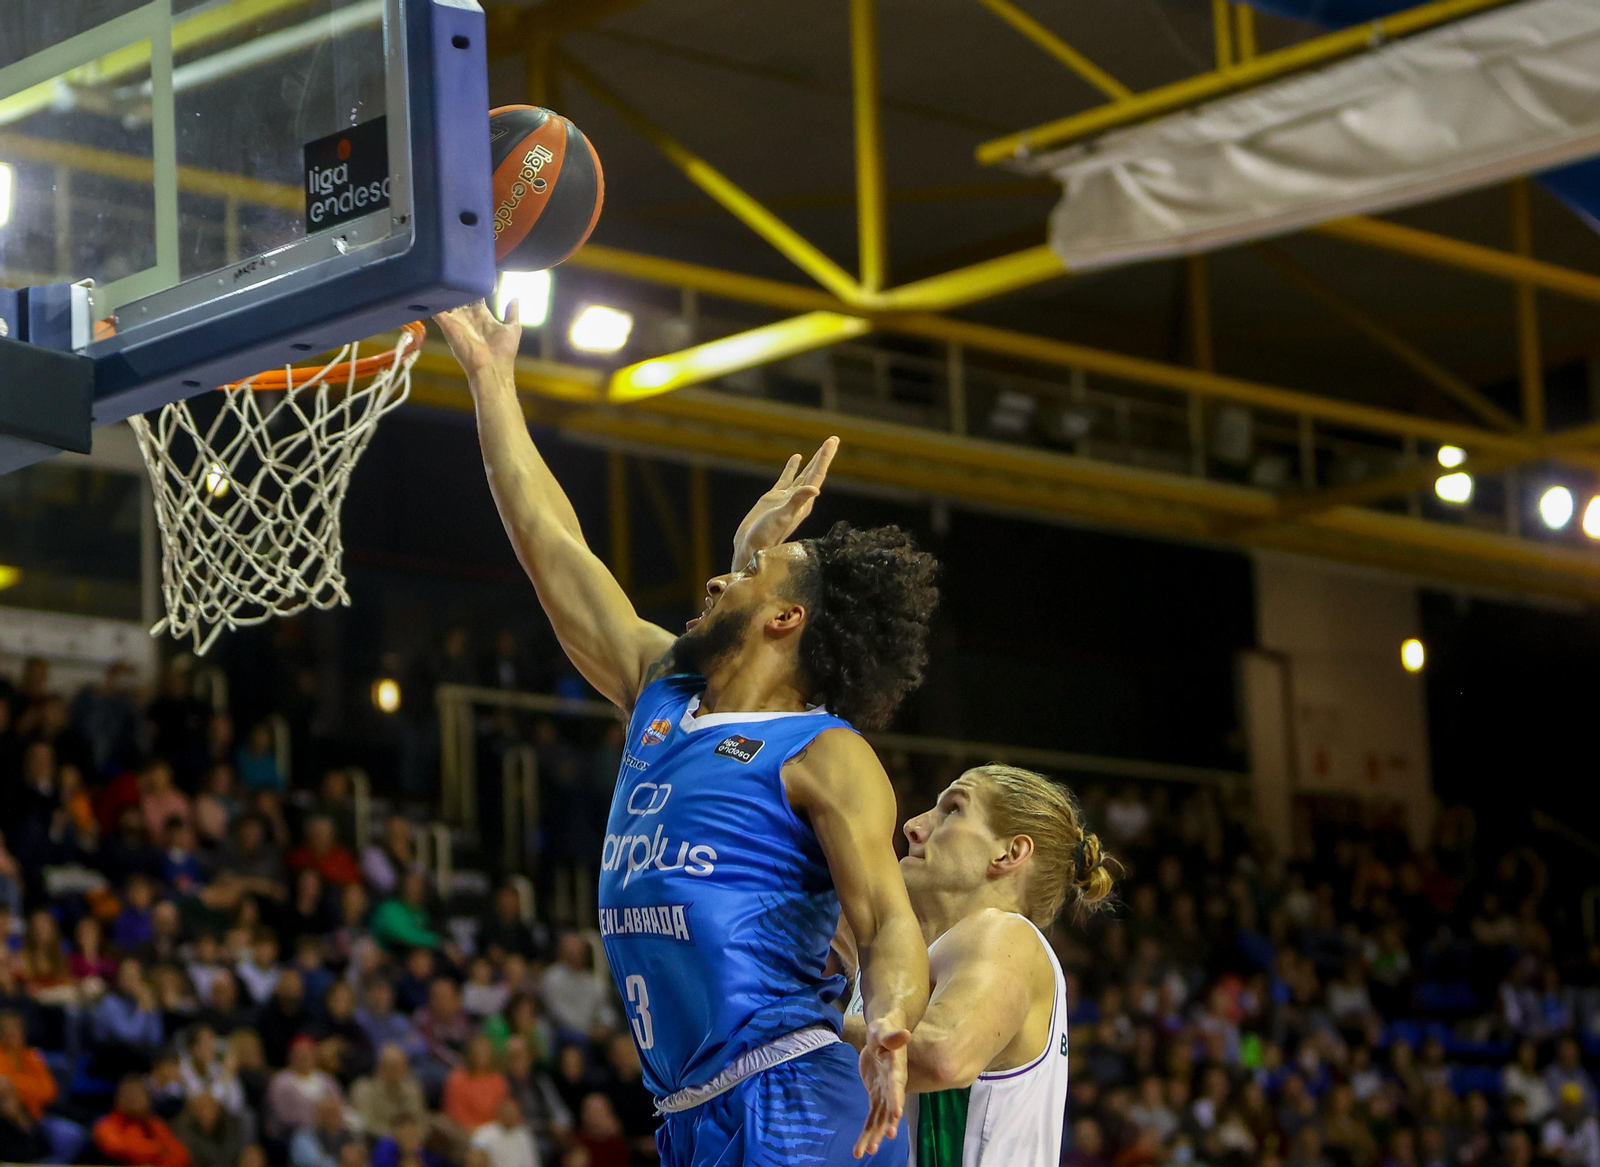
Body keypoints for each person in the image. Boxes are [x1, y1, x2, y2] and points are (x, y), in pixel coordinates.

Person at [439, 293, 936, 1165]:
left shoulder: (823, 751)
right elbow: (552, 542)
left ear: (787, 620)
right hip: (688, 1111)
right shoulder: (660, 692)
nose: (714, 580)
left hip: (795, 1093)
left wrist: (890, 1020)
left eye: (744, 576)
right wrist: (493, 382)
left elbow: (891, 922)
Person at [842, 765, 1115, 1166]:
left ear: (1009, 852)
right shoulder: (901, 953)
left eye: (952, 809)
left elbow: (943, 1056)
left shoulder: (1007, 935)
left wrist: (804, 1027)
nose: (914, 827)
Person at [94, 1075, 193, 1167]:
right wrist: (157, 1150)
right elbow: (119, 1148)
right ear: (118, 1099)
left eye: (139, 1093)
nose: (134, 1098)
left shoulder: (155, 1124)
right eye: (129, 1094)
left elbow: (181, 1155)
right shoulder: (106, 1125)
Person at [350, 1043, 428, 1140]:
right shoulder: (364, 1089)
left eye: (402, 1066)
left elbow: (419, 1118)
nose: (397, 1071)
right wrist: (398, 1135)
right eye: (392, 1067)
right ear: (380, 1067)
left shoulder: (412, 1088)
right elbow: (366, 1124)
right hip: (377, 1141)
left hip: (411, 1141)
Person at [171, 1090, 246, 1167]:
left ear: (217, 1108)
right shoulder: (186, 1134)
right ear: (192, 1113)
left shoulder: (232, 1125)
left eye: (207, 1106)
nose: (203, 1112)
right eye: (199, 1108)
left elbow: (236, 1152)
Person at [471, 1096, 540, 1167]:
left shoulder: (524, 1134)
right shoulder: (484, 1134)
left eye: (514, 1112)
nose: (511, 1115)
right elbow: (476, 1160)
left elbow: (531, 1162)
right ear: (499, 1113)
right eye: (508, 1112)